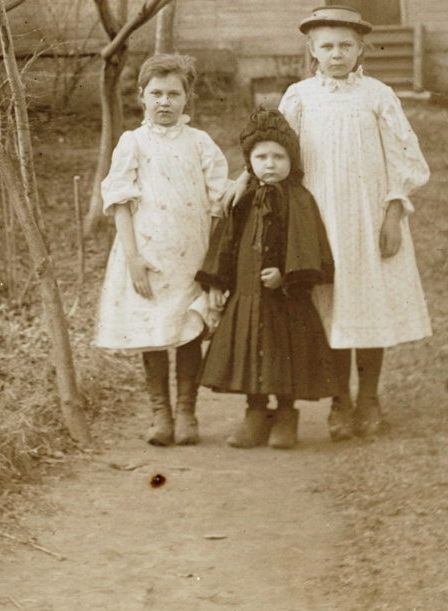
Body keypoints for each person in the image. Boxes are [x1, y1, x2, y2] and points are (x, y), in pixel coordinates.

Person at [279, 5, 432, 440]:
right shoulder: (299, 97)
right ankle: (339, 402)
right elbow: (278, 154)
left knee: (367, 304)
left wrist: (394, 213)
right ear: (312, 50)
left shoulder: (377, 96)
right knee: (330, 309)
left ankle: (368, 398)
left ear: (361, 48)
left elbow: (403, 156)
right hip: (318, 219)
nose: (337, 54)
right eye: (327, 46)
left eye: (345, 45)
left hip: (368, 217)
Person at [94, 52, 231, 446]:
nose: (165, 102)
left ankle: (187, 411)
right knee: (152, 330)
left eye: (173, 94)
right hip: (147, 255)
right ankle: (161, 414)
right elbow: (120, 201)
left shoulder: (200, 143)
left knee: (188, 330)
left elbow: (221, 199)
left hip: (191, 255)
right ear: (142, 96)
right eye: (156, 94)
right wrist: (133, 258)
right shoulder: (133, 142)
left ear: (187, 98)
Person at [195, 109, 336, 449]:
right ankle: (255, 413)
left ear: (291, 160)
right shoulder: (242, 198)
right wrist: (218, 282)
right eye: (261, 157)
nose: (270, 164)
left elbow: (307, 245)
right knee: (251, 354)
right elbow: (226, 241)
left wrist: (287, 278)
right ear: (250, 162)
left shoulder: (299, 199)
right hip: (247, 295)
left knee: (285, 355)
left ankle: (286, 414)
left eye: (278, 157)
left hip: (286, 300)